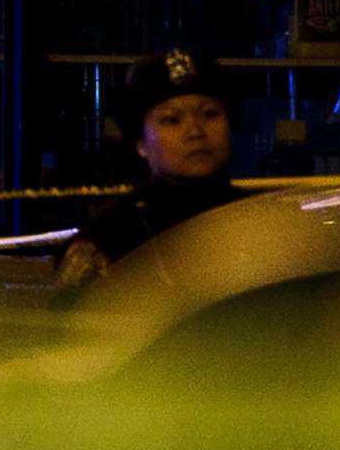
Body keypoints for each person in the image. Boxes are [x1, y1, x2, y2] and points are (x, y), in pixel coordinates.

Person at [55, 46, 241, 296]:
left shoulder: (263, 220)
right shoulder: (110, 235)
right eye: (172, 120)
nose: (195, 132)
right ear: (141, 143)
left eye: (210, 114)